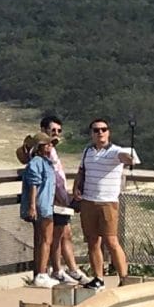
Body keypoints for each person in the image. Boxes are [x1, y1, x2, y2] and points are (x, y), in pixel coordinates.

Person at [74, 117, 139, 287]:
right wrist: (76, 188)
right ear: (92, 134)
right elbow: (81, 171)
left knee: (111, 241)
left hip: (108, 203)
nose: (100, 133)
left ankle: (124, 278)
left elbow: (128, 158)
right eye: (96, 130)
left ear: (108, 132)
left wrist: (129, 157)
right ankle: (98, 278)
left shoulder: (115, 151)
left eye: (103, 129)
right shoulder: (87, 151)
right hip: (88, 201)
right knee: (93, 241)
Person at [39, 114, 87, 284]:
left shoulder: (52, 150)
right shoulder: (42, 151)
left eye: (59, 130)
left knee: (63, 235)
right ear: (44, 130)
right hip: (53, 200)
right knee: (60, 235)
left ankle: (61, 270)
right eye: (53, 130)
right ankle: (64, 270)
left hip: (60, 199)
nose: (56, 133)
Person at [19, 132, 60, 288]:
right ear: (39, 147)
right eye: (47, 144)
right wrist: (32, 206)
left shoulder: (45, 162)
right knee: (45, 240)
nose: (50, 146)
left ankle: (41, 272)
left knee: (43, 239)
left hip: (45, 204)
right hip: (42, 205)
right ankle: (41, 274)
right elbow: (33, 185)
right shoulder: (37, 162)